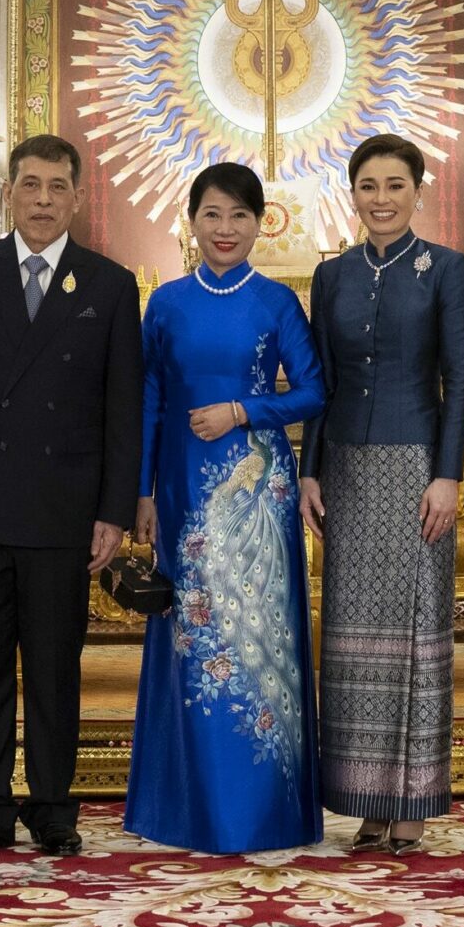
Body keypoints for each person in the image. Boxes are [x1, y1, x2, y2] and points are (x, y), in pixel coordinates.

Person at [0, 133, 142, 859]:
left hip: (64, 511)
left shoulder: (109, 286)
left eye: (57, 187)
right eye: (30, 185)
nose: (43, 200)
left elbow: (123, 410)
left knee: (54, 670)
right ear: (8, 193)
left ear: (77, 197)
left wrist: (112, 510)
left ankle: (53, 806)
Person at [125, 161, 325, 855]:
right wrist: (143, 490)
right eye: (212, 214)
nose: (226, 228)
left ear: (260, 222)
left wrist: (244, 409)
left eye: (240, 215)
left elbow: (312, 392)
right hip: (181, 487)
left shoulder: (275, 303)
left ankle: (263, 810)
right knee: (191, 639)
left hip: (252, 489)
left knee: (255, 640)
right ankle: (191, 810)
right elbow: (149, 397)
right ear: (191, 220)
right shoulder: (168, 303)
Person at [299, 132, 464, 856]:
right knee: (350, 646)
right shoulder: (332, 275)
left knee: (413, 637)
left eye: (394, 185)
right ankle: (369, 806)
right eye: (368, 186)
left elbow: (459, 377)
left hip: (416, 470)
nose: (381, 199)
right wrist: (310, 468)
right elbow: (321, 383)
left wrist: (449, 473)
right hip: (345, 467)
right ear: (353, 192)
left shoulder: (448, 270)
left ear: (418, 191)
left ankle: (412, 808)